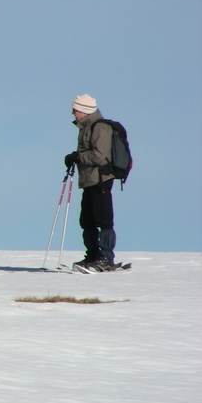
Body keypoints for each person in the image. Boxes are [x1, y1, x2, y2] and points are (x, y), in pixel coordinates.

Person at [64, 94, 119, 271]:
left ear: (84, 111)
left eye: (75, 110)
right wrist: (76, 157)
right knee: (87, 220)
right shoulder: (86, 127)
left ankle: (106, 258)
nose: (73, 113)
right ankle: (93, 256)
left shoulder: (100, 127)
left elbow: (100, 156)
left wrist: (78, 156)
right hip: (89, 180)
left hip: (101, 180)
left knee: (103, 219)